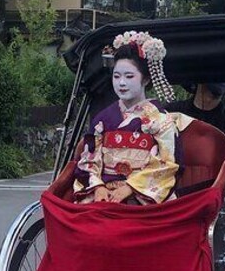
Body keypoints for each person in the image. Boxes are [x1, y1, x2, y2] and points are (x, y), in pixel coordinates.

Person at [72, 34, 180, 205]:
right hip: (103, 194)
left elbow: (167, 164)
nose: (121, 83)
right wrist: (98, 186)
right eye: (116, 76)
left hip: (142, 196)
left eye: (129, 77)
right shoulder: (103, 119)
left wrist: (130, 187)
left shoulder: (160, 120)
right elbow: (88, 159)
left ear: (145, 79)